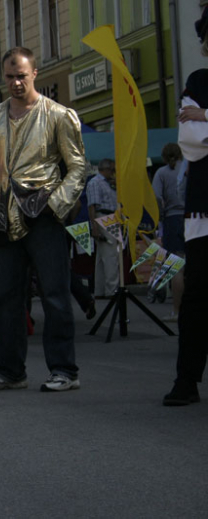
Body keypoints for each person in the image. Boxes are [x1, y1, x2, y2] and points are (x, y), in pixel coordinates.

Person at [0, 47, 86, 392]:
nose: (16, 82)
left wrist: (56, 205)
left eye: (21, 75)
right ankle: (9, 370)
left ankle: (65, 370)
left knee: (54, 294)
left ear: (34, 73)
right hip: (6, 215)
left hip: (45, 215)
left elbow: (78, 167)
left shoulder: (59, 114)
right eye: (10, 76)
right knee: (6, 297)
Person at [163, 6, 208, 406]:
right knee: (196, 297)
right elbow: (192, 142)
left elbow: (202, 129)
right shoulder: (198, 80)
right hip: (203, 212)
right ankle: (187, 381)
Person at [152, 143, 185, 321]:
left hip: (172, 219)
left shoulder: (161, 173)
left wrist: (161, 215)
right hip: (193, 219)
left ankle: (176, 311)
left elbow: (156, 196)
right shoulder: (187, 169)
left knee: (176, 267)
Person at [86, 159, 119, 299]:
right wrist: (95, 227)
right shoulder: (95, 182)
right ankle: (112, 289)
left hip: (108, 217)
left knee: (101, 257)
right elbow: (92, 206)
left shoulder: (107, 183)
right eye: (112, 170)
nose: (113, 173)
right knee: (111, 256)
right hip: (105, 217)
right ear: (105, 169)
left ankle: (100, 289)